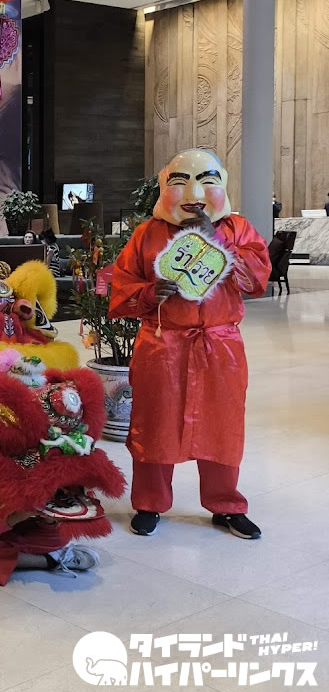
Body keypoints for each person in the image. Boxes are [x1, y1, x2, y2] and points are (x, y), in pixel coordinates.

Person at [109, 149, 270, 540]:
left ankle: (226, 504)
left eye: (206, 182)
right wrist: (149, 293)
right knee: (154, 424)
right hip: (161, 344)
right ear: (165, 186)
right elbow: (122, 286)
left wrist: (219, 241)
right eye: (179, 182)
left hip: (220, 346)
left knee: (223, 425)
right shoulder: (147, 234)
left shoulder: (238, 228)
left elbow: (257, 279)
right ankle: (149, 502)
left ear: (223, 184)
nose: (194, 193)